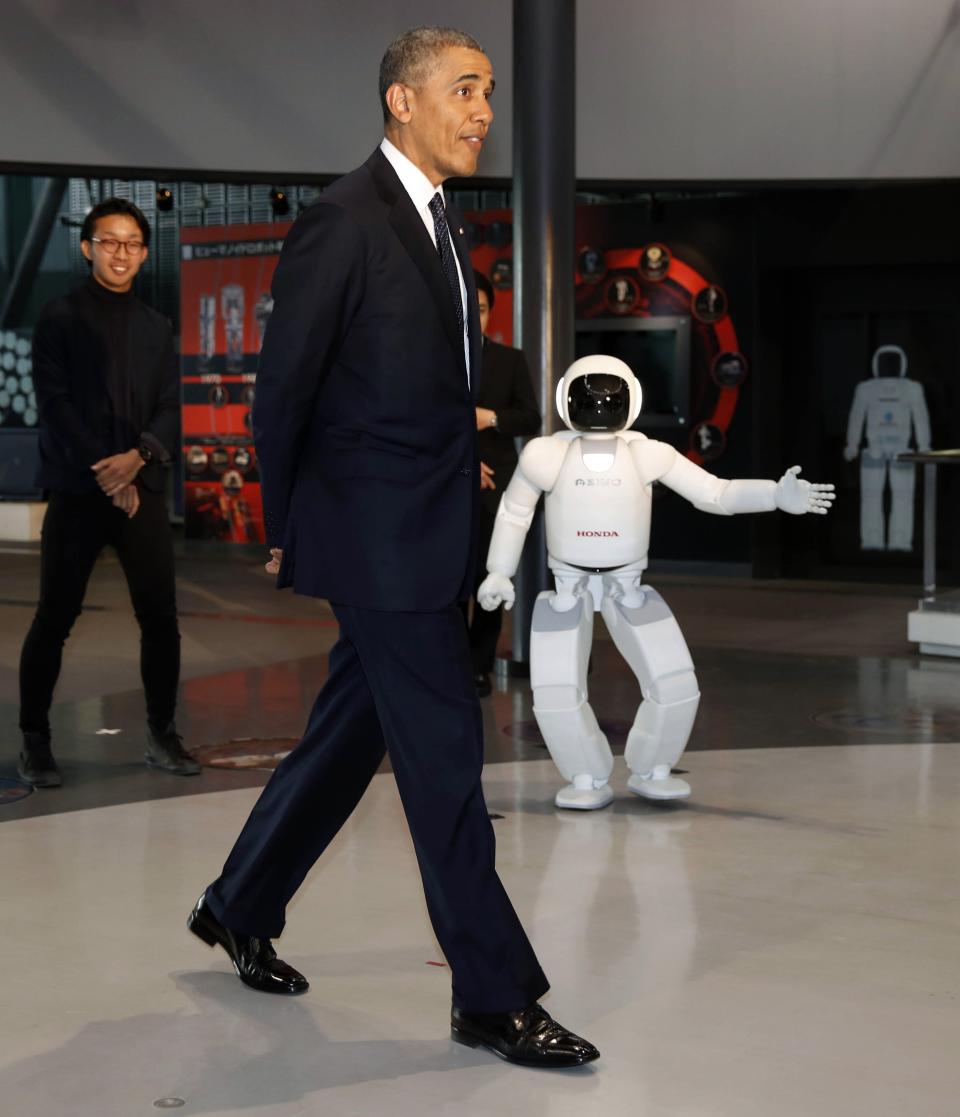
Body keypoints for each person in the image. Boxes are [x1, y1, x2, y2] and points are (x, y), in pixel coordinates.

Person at [187, 27, 598, 1069]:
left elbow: (419, 386)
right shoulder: (344, 219)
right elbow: (285, 390)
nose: (485, 112)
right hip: (377, 541)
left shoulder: (439, 224)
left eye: (492, 93)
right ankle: (492, 994)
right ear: (402, 102)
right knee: (446, 764)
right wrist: (283, 526)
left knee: (348, 734)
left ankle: (239, 903)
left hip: (426, 530)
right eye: (466, 90)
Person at [17, 198, 198, 788]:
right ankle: (35, 743)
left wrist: (137, 458)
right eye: (109, 241)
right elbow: (58, 406)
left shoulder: (156, 327)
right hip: (78, 488)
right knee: (55, 616)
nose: (120, 253)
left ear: (144, 255)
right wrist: (106, 471)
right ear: (87, 246)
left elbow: (171, 408)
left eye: (132, 244)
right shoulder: (59, 318)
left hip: (139, 488)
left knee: (161, 618)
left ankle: (162, 733)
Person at [467, 270, 540, 696]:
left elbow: (530, 418)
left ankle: (479, 667)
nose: (474, 317)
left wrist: (490, 417)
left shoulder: (510, 360)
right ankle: (455, 664)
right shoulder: (434, 359)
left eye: (480, 309)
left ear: (491, 312)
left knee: (493, 579)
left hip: (498, 493)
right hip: (448, 486)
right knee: (453, 585)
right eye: (467, 310)